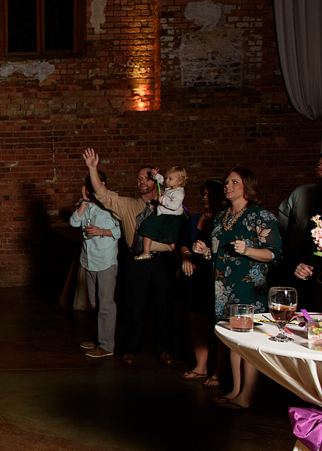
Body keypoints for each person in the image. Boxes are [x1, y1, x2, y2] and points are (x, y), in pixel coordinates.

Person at [193, 168, 282, 410]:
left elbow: (274, 253)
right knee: (233, 341)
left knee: (248, 343)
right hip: (223, 287)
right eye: (226, 182)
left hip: (249, 288)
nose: (228, 186)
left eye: (234, 182)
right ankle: (235, 390)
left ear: (247, 186)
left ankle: (247, 396)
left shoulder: (260, 216)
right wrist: (205, 253)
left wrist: (249, 250)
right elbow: (220, 253)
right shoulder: (221, 217)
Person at [83, 148, 176, 366]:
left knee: (164, 307)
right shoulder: (128, 205)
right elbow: (103, 195)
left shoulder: (169, 205)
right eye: (139, 178)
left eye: (147, 177)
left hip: (162, 261)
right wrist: (92, 168)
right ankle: (131, 349)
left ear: (156, 180)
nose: (142, 181)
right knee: (134, 306)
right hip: (137, 261)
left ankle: (163, 349)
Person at [69, 172, 121, 358]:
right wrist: (84, 201)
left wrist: (102, 231)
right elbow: (74, 222)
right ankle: (99, 339)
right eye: (87, 185)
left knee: (106, 304)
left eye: (92, 184)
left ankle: (107, 346)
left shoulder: (111, 205)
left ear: (102, 184)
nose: (89, 188)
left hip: (106, 260)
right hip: (89, 260)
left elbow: (122, 230)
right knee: (94, 302)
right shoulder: (87, 206)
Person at [179, 179, 226, 383]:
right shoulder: (196, 218)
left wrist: (208, 253)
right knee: (196, 320)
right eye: (203, 193)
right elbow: (183, 244)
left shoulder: (226, 219)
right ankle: (201, 366)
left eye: (209, 193)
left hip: (216, 275)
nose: (204, 197)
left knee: (218, 323)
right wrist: (187, 256)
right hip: (196, 275)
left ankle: (219, 371)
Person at [278, 154, 322, 283]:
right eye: (318, 164)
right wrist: (288, 242)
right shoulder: (301, 192)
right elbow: (283, 216)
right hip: (298, 262)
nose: (319, 167)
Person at [135, 166, 187, 260]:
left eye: (170, 178)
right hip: (163, 214)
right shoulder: (171, 186)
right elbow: (161, 181)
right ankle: (146, 252)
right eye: (167, 178)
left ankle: (179, 260)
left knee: (170, 240)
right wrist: (156, 176)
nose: (167, 181)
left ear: (180, 181)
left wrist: (162, 200)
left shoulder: (178, 193)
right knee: (147, 226)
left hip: (170, 217)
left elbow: (175, 206)